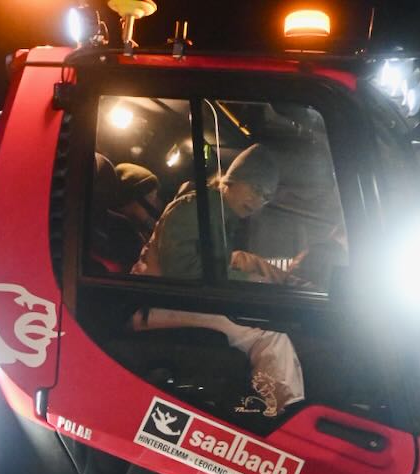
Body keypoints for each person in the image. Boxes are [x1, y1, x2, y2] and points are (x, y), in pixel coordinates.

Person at [129, 144, 306, 416]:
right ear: (232, 179)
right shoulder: (195, 208)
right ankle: (280, 417)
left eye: (266, 197)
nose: (258, 200)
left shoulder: (218, 213)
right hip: (157, 304)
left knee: (249, 275)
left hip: (174, 301)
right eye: (255, 188)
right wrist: (245, 281)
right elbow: (181, 271)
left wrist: (250, 279)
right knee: (271, 336)